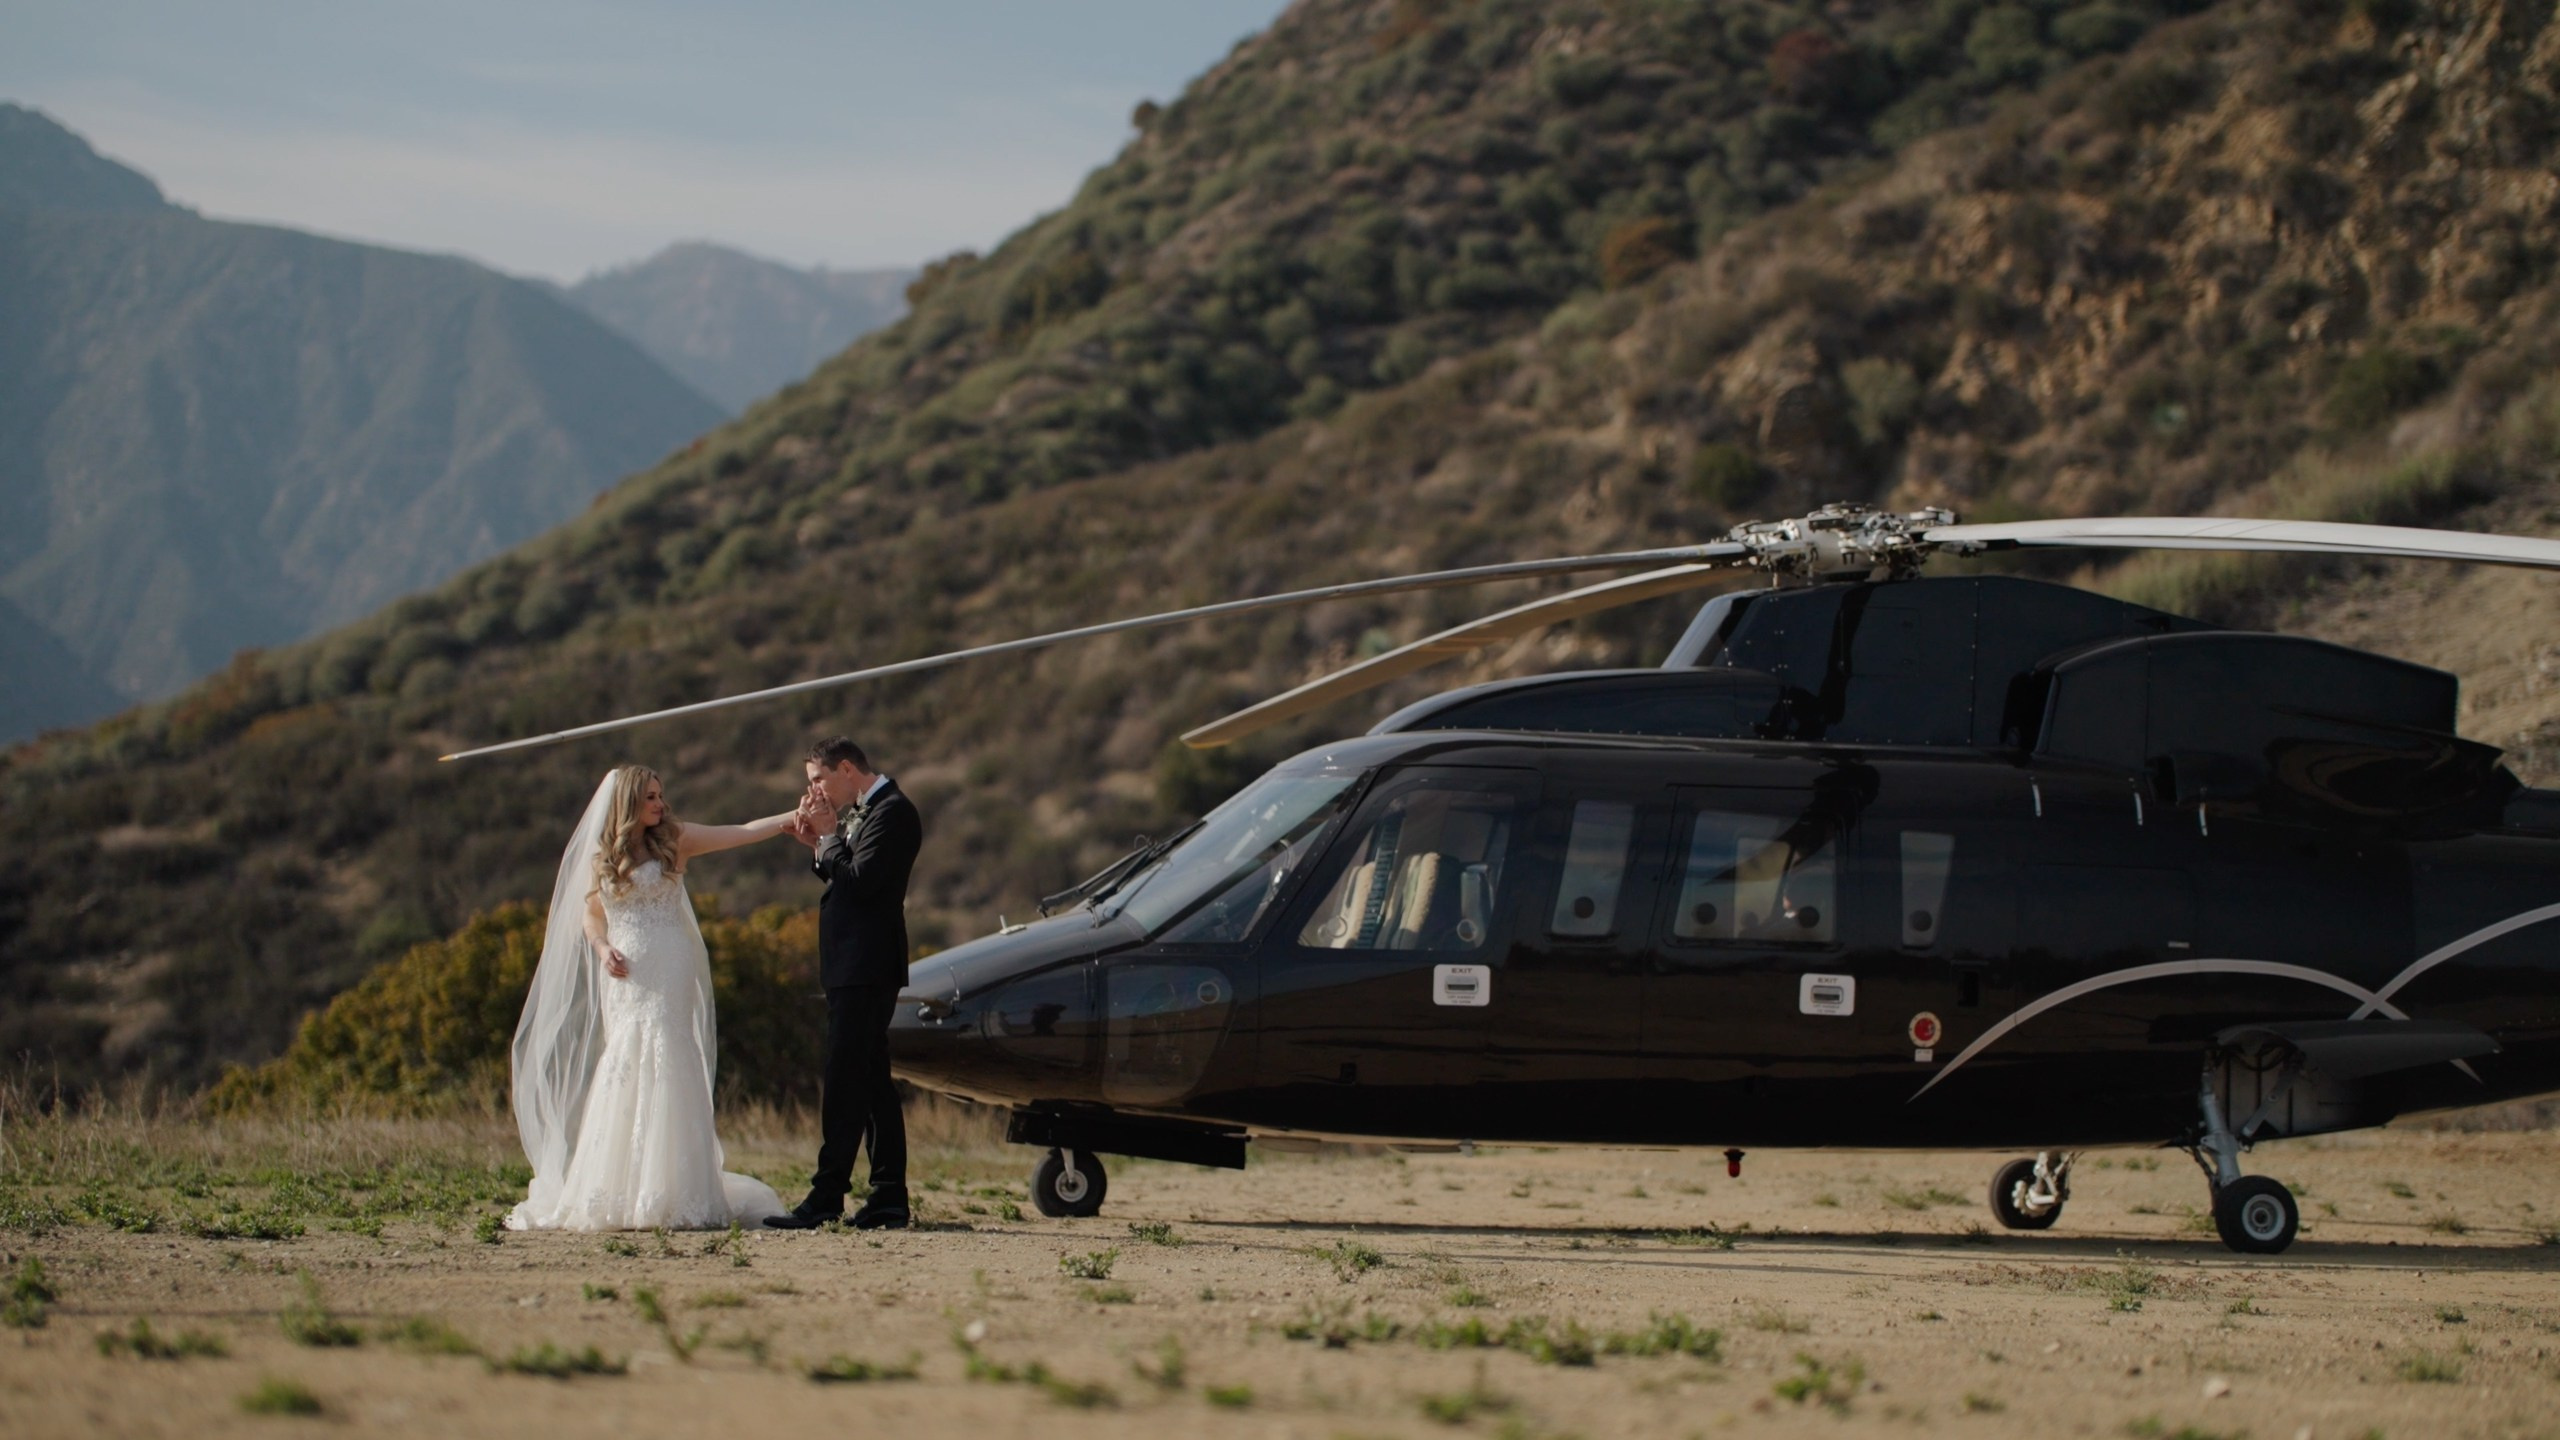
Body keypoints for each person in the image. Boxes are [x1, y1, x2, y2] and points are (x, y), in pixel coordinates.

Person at [506, 764, 799, 1231]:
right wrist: (602, 950)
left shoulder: (675, 838)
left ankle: (673, 1190)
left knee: (667, 1051)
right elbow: (591, 916)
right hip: (624, 972)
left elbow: (740, 832)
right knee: (624, 1058)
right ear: (627, 802)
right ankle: (618, 1187)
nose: (660, 805)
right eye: (650, 798)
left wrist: (792, 815)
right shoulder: (602, 853)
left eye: (661, 796)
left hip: (670, 964)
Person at [766, 736, 925, 1230]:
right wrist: (819, 844)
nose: (813, 788)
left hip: (866, 967)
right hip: (852, 966)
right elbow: (848, 881)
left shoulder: (893, 812)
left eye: (818, 778)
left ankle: (827, 1194)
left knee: (844, 1081)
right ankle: (888, 1197)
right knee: (873, 1083)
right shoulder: (865, 810)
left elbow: (859, 881)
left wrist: (831, 836)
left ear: (848, 770)